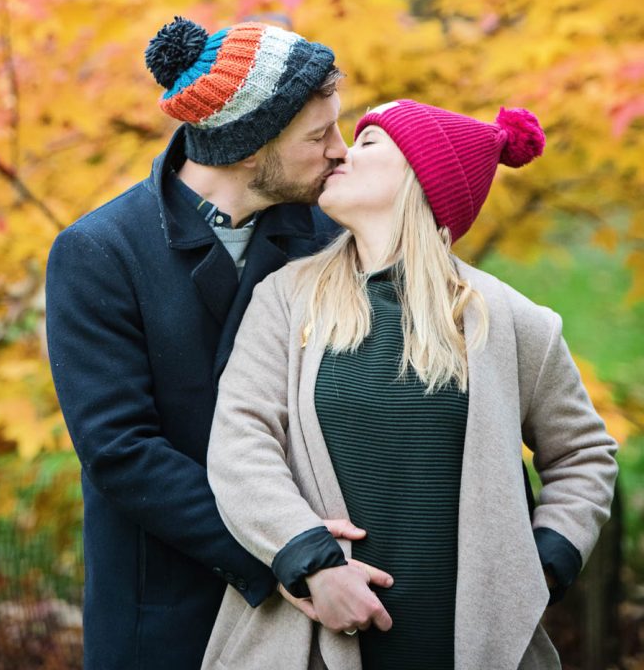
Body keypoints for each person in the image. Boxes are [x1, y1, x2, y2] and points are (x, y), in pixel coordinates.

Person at [204, 99, 619, 670]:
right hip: (314, 637)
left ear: (425, 177)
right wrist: (312, 561)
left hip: (467, 648)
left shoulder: (514, 322)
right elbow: (241, 441)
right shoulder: (285, 298)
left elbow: (583, 454)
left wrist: (543, 563)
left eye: (369, 143)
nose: (342, 153)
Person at [46, 16, 387, 670]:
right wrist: (288, 551)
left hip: (328, 600)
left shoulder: (327, 235)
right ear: (246, 149)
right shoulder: (100, 252)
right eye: (318, 135)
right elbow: (121, 450)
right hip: (171, 611)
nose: (340, 151)